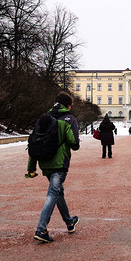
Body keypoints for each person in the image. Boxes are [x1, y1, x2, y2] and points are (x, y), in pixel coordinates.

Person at [25, 91, 81, 244]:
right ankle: (41, 229)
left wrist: (31, 168)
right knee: (52, 194)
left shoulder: (43, 119)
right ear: (68, 105)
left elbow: (34, 144)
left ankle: (69, 222)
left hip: (44, 163)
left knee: (58, 192)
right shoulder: (69, 119)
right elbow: (74, 144)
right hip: (59, 163)